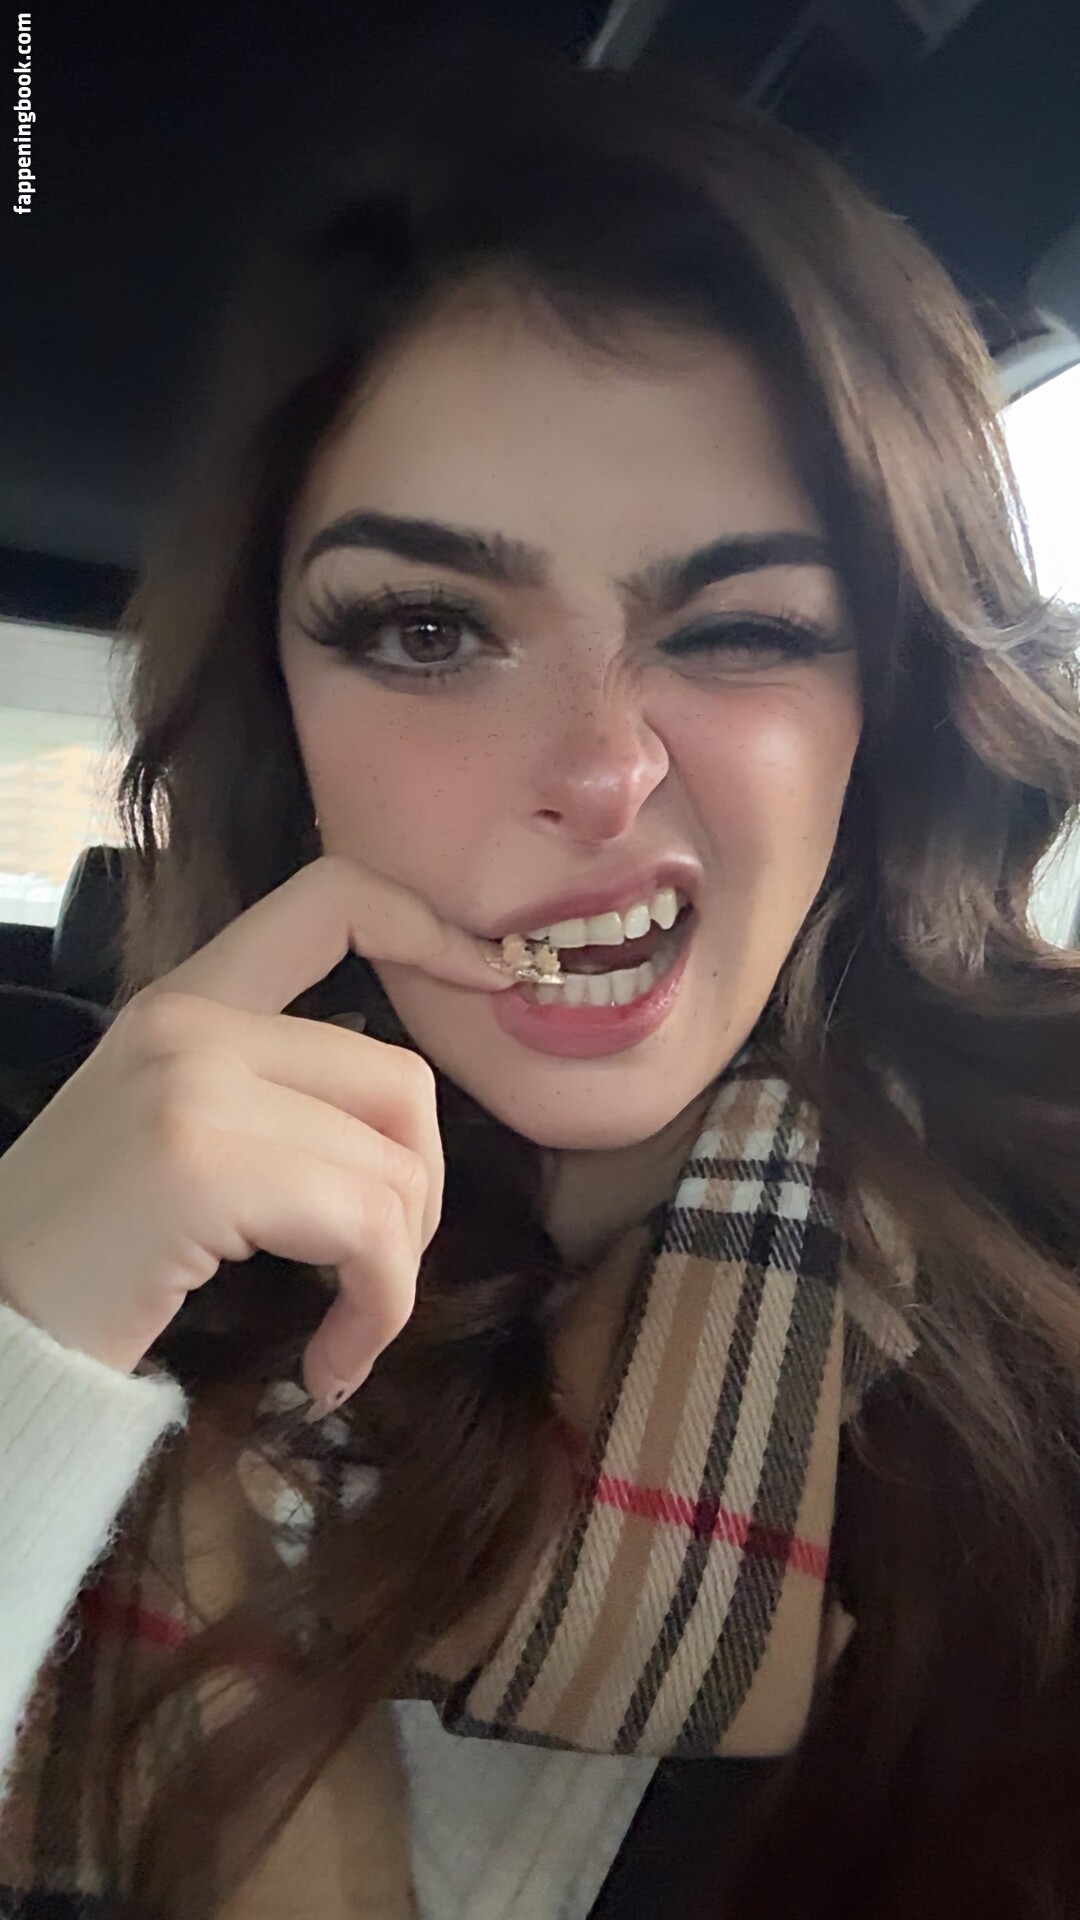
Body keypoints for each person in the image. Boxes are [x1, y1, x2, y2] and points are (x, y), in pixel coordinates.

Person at [1, 40, 1079, 1920]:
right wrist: (25, 1358)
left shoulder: (1043, 1285)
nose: (599, 769)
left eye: (742, 628)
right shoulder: (35, 1179)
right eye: (429, 628)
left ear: (885, 715)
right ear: (282, 714)